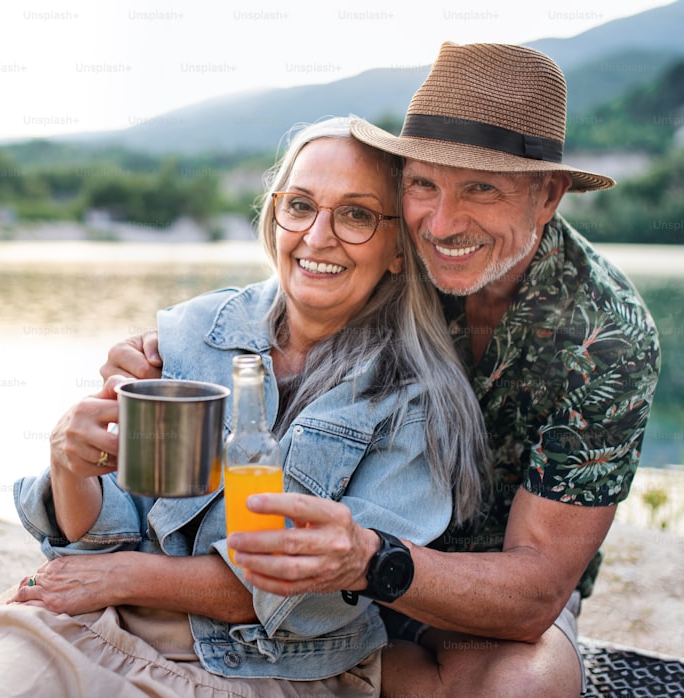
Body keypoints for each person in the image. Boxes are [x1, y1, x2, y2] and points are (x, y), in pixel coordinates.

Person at [0, 117, 488, 697]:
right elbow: (100, 532)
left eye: (355, 214)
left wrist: (128, 574)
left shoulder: (415, 399)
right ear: (273, 214)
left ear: (394, 247)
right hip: (108, 624)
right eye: (299, 205)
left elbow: (310, 597)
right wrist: (72, 466)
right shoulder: (191, 332)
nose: (319, 234)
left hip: (274, 671)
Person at [104, 43, 661, 697]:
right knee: (66, 598)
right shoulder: (388, 247)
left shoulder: (606, 339)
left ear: (548, 195)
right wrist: (163, 357)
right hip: (321, 558)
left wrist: (369, 559)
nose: (443, 224)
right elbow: (280, 299)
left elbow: (534, 592)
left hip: (464, 593)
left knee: (526, 683)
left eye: (481, 188)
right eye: (423, 184)